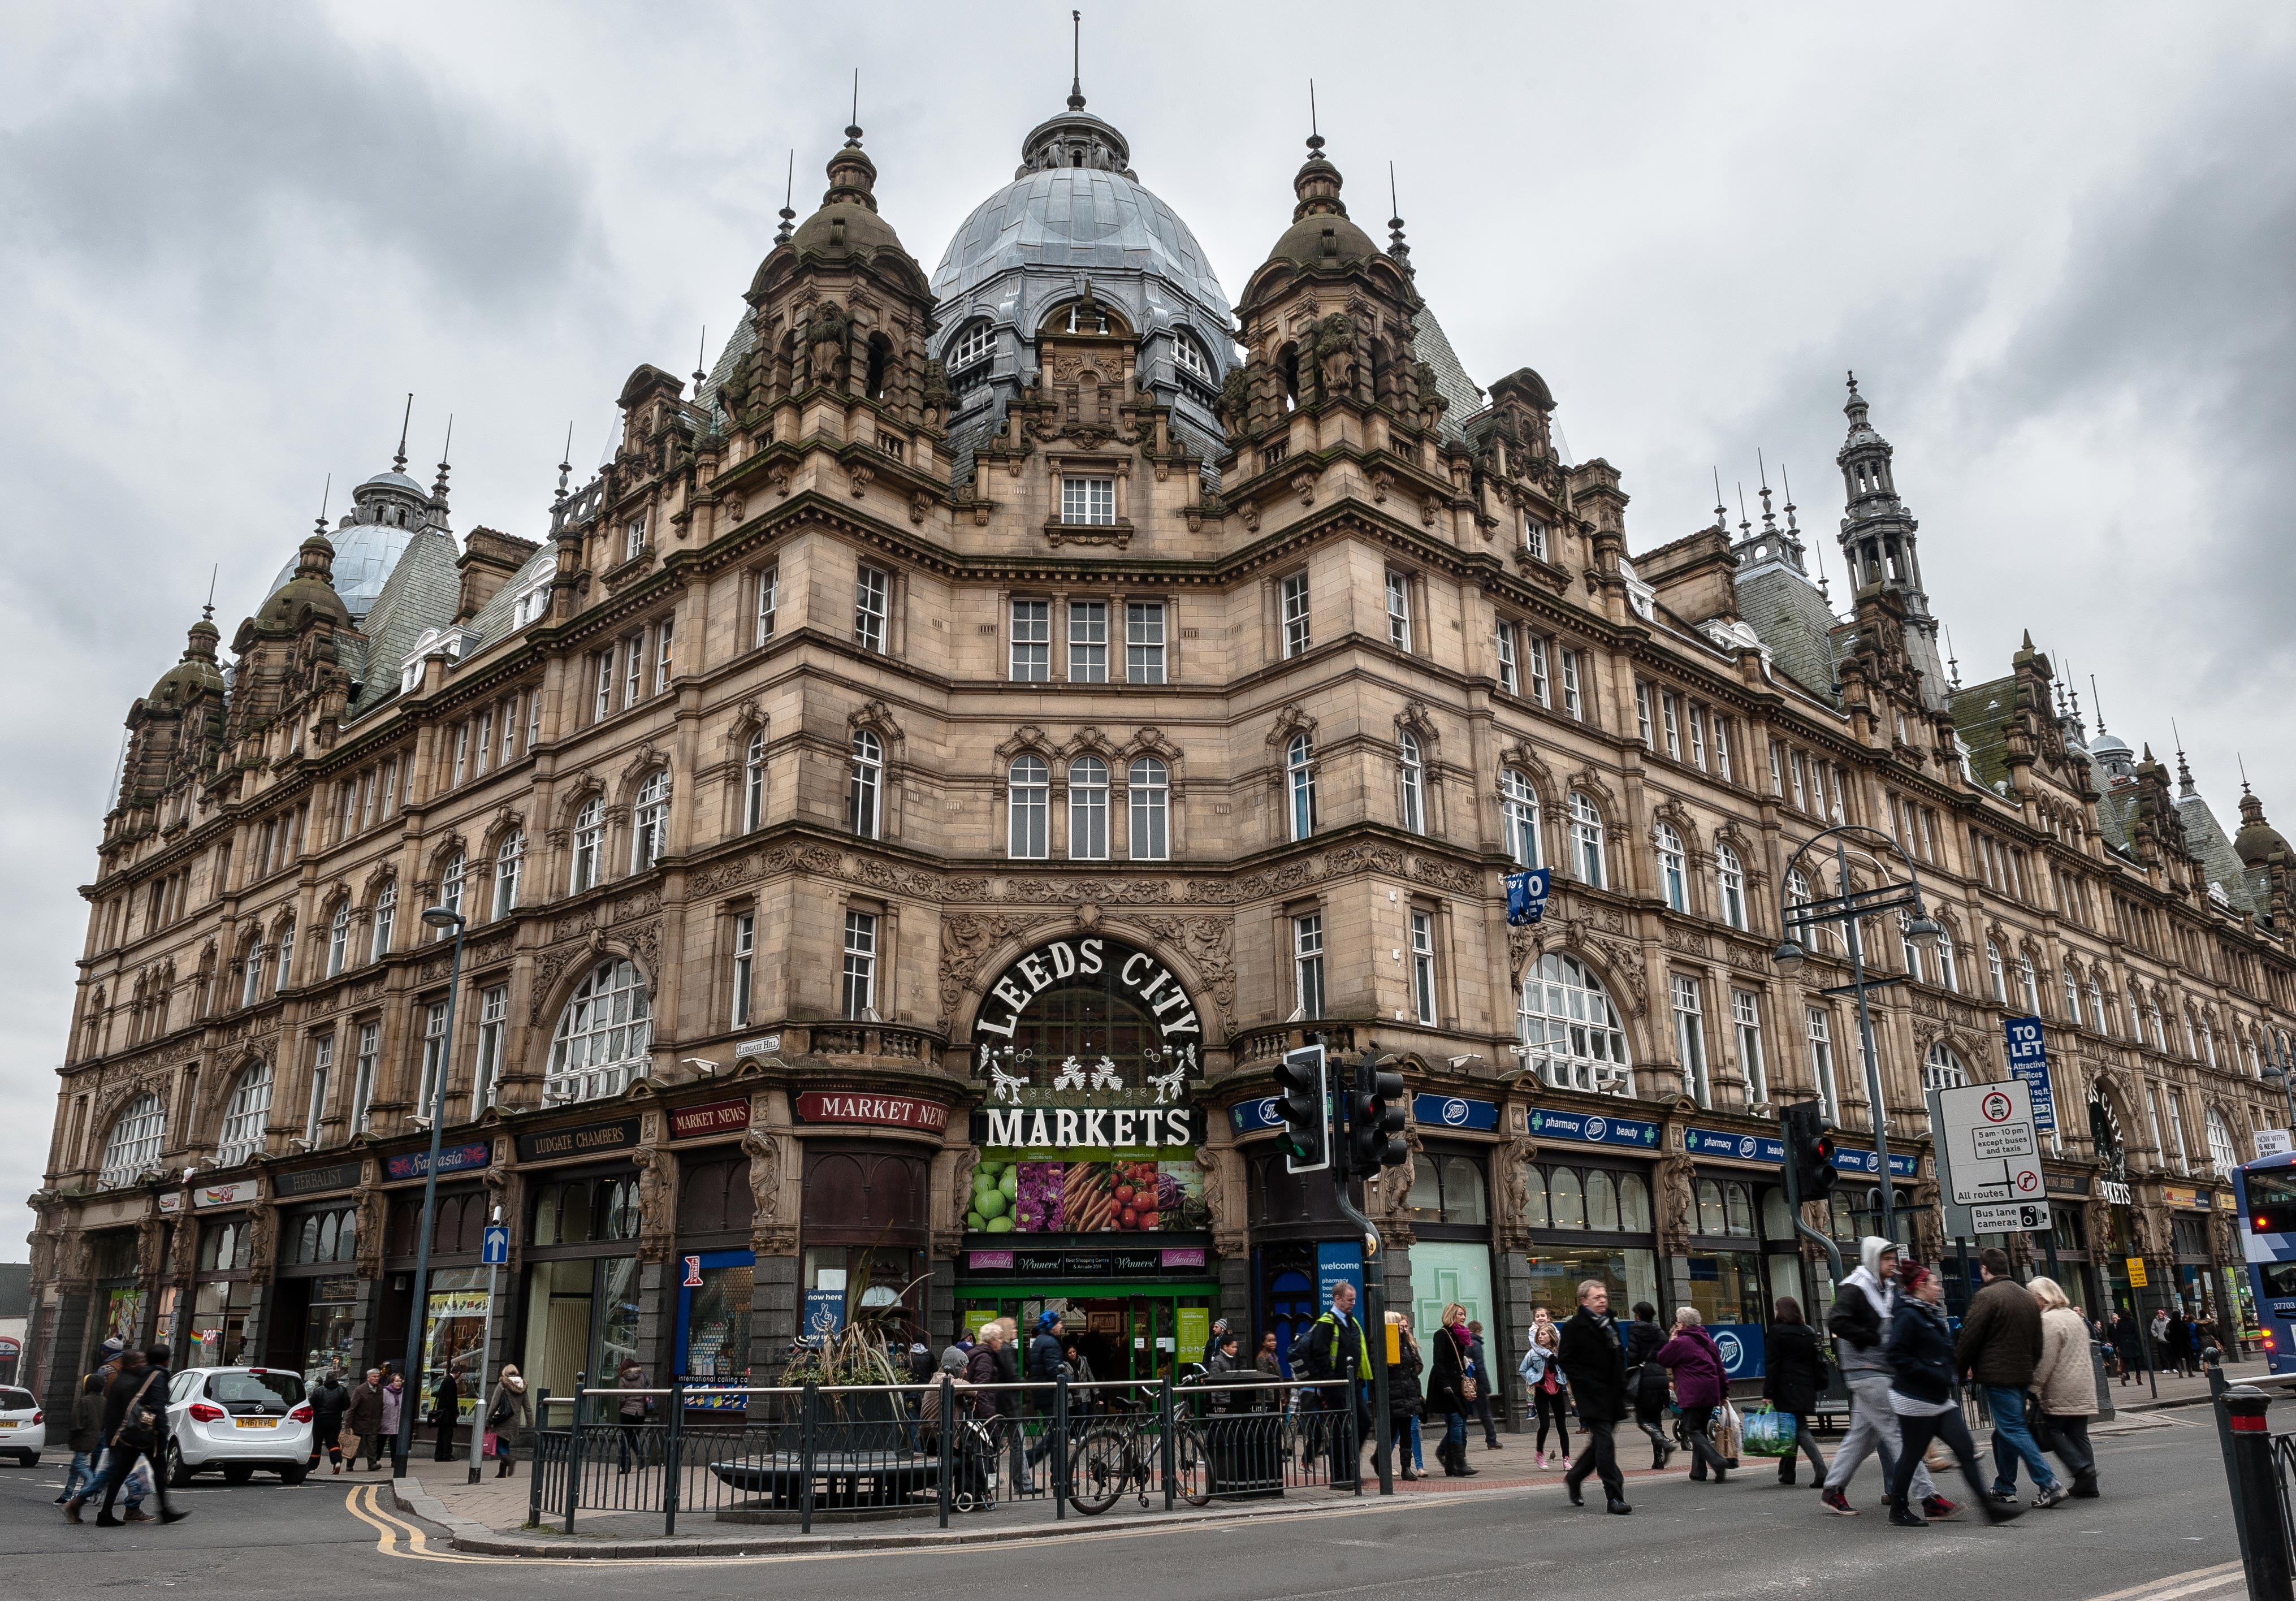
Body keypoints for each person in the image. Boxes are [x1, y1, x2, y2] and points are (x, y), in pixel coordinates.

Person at [1884, 1261, 2022, 1527]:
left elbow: (1940, 1349)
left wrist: (1952, 1367)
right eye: (1935, 1283)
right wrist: (1933, 1371)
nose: (1939, 1287)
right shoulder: (1908, 1315)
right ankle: (1899, 1509)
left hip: (1938, 1397)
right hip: (1915, 1399)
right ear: (1921, 1286)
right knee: (1911, 1455)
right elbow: (1896, 1355)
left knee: (1965, 1448)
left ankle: (1989, 1508)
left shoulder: (1929, 1311)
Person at [1820, 1236, 1943, 1518]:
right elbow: (1837, 1320)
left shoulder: (1886, 1286)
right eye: (1887, 1260)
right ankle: (1929, 1497)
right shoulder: (1855, 1286)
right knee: (1898, 1431)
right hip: (1865, 1371)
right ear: (1874, 1259)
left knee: (1862, 1437)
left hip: (1878, 1370)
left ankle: (1833, 1489)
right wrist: (1871, 1338)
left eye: (1893, 1259)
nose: (1893, 1265)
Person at [1956, 1247, 2059, 1508]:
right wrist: (2028, 1368)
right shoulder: (2026, 1297)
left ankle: (2049, 1483)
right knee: (2003, 1433)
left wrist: (1959, 1371)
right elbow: (2038, 1344)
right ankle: (2004, 1487)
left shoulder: (1987, 1296)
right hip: (2022, 1374)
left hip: (1997, 1375)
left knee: (2012, 1428)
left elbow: (1969, 1337)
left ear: (1984, 1269)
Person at [77, 1345, 188, 1526]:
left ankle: (106, 1513)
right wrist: (163, 1432)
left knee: (121, 1472)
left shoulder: (140, 1374)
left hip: (132, 1432)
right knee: (157, 1471)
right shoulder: (157, 1375)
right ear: (167, 1360)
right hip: (147, 1433)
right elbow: (158, 1405)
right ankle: (162, 1511)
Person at [1556, 1279, 1630, 1514]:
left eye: (1604, 1296)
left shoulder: (1610, 1324)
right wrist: (1587, 1383)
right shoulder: (1574, 1327)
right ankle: (1615, 1496)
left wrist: (1622, 1383)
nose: (1603, 1300)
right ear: (1584, 1301)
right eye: (1597, 1297)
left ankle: (1575, 1477)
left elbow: (1619, 1356)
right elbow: (1566, 1360)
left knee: (1599, 1444)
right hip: (1592, 1395)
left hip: (1614, 1393)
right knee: (1605, 1443)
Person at [2026, 1277, 2101, 1499]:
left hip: (2061, 1386)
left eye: (2033, 1297)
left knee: (2051, 1429)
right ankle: (2089, 1484)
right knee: (2078, 1434)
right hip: (2083, 1384)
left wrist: (2034, 1387)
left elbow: (2045, 1360)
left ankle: (2081, 1468)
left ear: (2042, 1298)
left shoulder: (2048, 1321)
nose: (2032, 1302)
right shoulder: (2073, 1317)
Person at [1298, 1281, 1373, 1488]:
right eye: (1350, 1300)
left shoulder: (1352, 1321)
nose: (1353, 1303)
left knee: (1364, 1421)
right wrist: (1329, 1381)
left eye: (1354, 1300)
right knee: (1340, 1429)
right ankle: (1341, 1478)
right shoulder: (1327, 1322)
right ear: (1337, 1298)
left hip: (1353, 1382)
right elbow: (1319, 1354)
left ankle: (1351, 1463)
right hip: (1335, 1384)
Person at [1654, 1307, 1732, 1483]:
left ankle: (1717, 1462)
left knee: (1691, 1429)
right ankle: (1698, 1471)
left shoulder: (1681, 1342)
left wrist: (1672, 1340)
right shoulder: (1707, 1339)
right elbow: (1720, 1368)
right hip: (1711, 1390)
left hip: (1693, 1391)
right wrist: (1724, 1393)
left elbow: (1662, 1359)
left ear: (1682, 1324)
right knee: (1701, 1429)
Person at [1761, 1297, 1830, 1487]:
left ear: (1780, 1311)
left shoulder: (1777, 1332)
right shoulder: (1807, 1332)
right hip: (1806, 1385)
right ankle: (1787, 1473)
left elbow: (1773, 1364)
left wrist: (1768, 1392)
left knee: (1799, 1428)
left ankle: (1822, 1470)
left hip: (1786, 1386)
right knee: (1790, 1429)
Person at [1427, 1303, 1480, 1478]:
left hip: (1459, 1384)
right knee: (1457, 1423)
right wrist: (1446, 1386)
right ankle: (1459, 1461)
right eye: (1460, 1314)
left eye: (1464, 1314)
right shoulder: (1441, 1335)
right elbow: (1439, 1362)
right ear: (1451, 1315)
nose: (1463, 1317)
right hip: (1447, 1386)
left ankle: (1450, 1463)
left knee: (1459, 1424)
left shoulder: (1461, 1335)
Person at [1519, 1308, 1571, 1471]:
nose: (1540, 1337)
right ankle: (1540, 1454)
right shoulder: (1532, 1354)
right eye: (1539, 1335)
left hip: (1557, 1391)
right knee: (1545, 1425)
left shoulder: (1559, 1354)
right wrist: (1535, 1378)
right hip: (1542, 1392)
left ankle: (1566, 1458)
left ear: (1551, 1336)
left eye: (1544, 1335)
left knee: (1562, 1426)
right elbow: (1522, 1370)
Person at [1623, 1302, 1674, 1469]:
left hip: (1644, 1379)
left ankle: (1664, 1442)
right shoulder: (1659, 1332)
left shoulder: (1635, 1331)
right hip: (1660, 1377)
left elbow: (1632, 1357)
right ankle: (1658, 1460)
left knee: (1643, 1420)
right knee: (1656, 1420)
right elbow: (1666, 1353)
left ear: (1638, 1315)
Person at [1024, 1310, 1066, 1473]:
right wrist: (1072, 1383)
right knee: (1058, 1435)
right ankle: (1027, 1461)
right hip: (1050, 1395)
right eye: (1058, 1323)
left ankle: (1058, 1475)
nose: (1061, 1325)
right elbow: (1055, 1371)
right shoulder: (1050, 1343)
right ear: (1051, 1326)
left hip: (1043, 1394)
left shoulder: (1040, 1341)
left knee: (1057, 1435)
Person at [1385, 1310, 1425, 1479]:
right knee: (1394, 1431)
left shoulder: (1406, 1343)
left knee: (1409, 1431)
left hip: (1408, 1393)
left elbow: (1414, 1370)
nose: (1403, 1329)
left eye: (1406, 1327)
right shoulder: (1385, 1341)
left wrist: (1417, 1394)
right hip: (1393, 1394)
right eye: (1400, 1326)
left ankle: (1407, 1467)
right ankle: (1382, 1460)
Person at [57, 1371, 106, 1507]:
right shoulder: (104, 1401)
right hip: (96, 1437)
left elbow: (76, 1423)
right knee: (74, 1468)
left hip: (82, 1439)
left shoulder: (84, 1401)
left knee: (81, 1466)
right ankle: (67, 1494)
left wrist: (73, 1435)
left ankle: (90, 1490)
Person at [486, 1364, 530, 1478]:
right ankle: (502, 1472)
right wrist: (530, 1423)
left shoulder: (503, 1385)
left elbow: (494, 1404)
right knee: (505, 1444)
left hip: (502, 1419)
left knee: (497, 1446)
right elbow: (527, 1407)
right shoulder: (522, 1387)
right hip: (514, 1421)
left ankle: (509, 1460)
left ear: (505, 1373)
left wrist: (488, 1419)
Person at [1467, 1319, 1502, 1450]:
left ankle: (1457, 1441)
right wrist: (1487, 1386)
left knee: (1462, 1415)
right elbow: (1480, 1367)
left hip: (1466, 1384)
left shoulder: (1463, 1342)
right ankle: (1492, 1440)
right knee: (1485, 1414)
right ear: (1478, 1331)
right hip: (1478, 1385)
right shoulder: (1476, 1344)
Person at [614, 1357, 651, 1474]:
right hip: (640, 1413)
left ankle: (625, 1467)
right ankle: (640, 1455)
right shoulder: (643, 1376)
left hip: (627, 1412)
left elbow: (621, 1398)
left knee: (625, 1438)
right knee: (634, 1435)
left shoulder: (623, 1380)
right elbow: (649, 1388)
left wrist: (621, 1408)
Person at [310, 1369, 350, 1475]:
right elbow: (346, 1406)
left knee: (316, 1443)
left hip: (319, 1420)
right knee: (333, 1442)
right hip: (335, 1420)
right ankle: (337, 1462)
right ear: (335, 1378)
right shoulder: (342, 1390)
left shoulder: (318, 1391)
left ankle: (312, 1467)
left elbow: (311, 1405)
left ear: (326, 1379)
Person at [347, 1368, 386, 1471]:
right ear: (368, 1378)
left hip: (373, 1423)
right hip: (359, 1423)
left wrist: (380, 1420)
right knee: (355, 1445)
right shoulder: (360, 1390)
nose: (376, 1379)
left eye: (378, 1377)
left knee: (372, 1445)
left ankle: (372, 1464)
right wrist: (348, 1425)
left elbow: (382, 1406)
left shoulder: (381, 1389)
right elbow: (352, 1408)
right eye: (374, 1377)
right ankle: (349, 1465)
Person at [431, 1367, 461, 1461]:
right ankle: (446, 1454)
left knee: (441, 1434)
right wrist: (455, 1412)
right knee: (447, 1434)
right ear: (458, 1373)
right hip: (448, 1414)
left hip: (443, 1413)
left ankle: (439, 1455)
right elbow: (451, 1399)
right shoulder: (450, 1381)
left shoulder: (446, 1380)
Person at [380, 1368, 405, 1463]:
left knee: (395, 1442)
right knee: (381, 1441)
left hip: (398, 1421)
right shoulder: (385, 1392)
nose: (399, 1383)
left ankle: (395, 1461)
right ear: (392, 1382)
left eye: (400, 1381)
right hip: (385, 1420)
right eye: (397, 1381)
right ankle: (376, 1459)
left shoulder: (404, 1392)